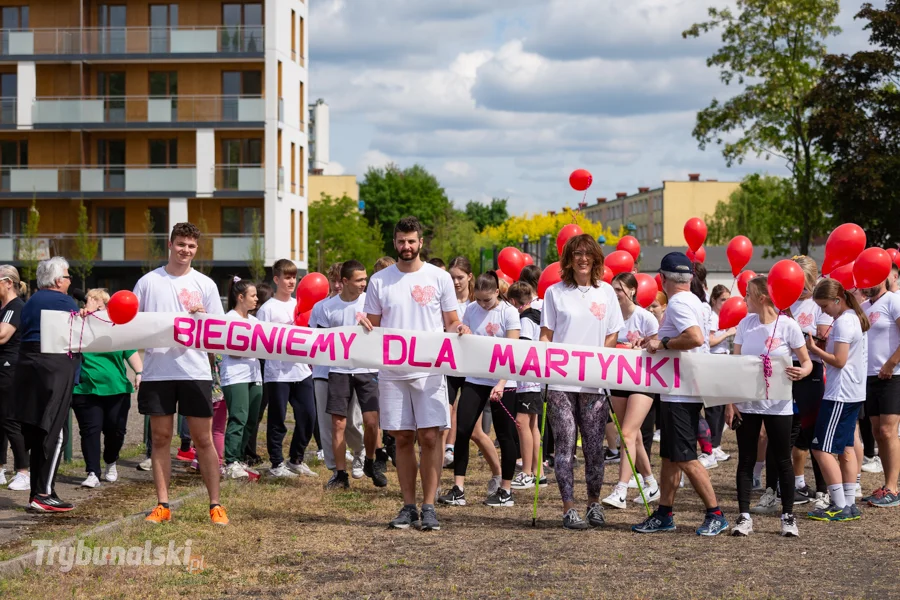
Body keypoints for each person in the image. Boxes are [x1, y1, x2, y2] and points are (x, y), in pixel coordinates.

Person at [361, 216, 461, 531]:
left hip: (430, 371)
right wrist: (364, 325)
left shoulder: (440, 277)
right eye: (402, 241)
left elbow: (451, 320)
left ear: (420, 242)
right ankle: (408, 506)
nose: (407, 247)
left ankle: (429, 507)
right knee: (402, 437)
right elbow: (373, 324)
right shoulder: (380, 280)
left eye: (412, 241)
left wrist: (461, 329)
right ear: (395, 242)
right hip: (392, 371)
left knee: (431, 436)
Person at [135, 223, 228, 525]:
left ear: (196, 249)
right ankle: (163, 504)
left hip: (195, 371)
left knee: (203, 440)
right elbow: (129, 322)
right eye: (181, 244)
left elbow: (220, 331)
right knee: (161, 438)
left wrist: (203, 316)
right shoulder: (149, 282)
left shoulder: (206, 284)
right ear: (170, 244)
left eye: (191, 246)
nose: (185, 250)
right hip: (158, 372)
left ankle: (215, 505)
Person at [632, 252, 729, 536]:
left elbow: (695, 338)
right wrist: (652, 340)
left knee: (685, 457)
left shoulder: (676, 303)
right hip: (683, 388)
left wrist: (661, 343)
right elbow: (683, 336)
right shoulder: (696, 302)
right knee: (672, 457)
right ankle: (664, 513)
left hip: (681, 391)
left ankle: (716, 514)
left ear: (663, 279)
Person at [540, 234, 624, 530]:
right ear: (568, 259)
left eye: (588, 254)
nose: (583, 259)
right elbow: (546, 336)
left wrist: (602, 360)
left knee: (593, 446)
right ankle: (568, 508)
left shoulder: (606, 293)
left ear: (597, 258)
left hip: (594, 383)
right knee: (564, 445)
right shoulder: (555, 293)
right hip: (561, 383)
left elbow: (613, 333)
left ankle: (594, 503)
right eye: (577, 254)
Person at [726, 276, 812, 537]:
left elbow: (806, 362)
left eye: (748, 295)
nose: (744, 299)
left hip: (779, 404)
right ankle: (744, 516)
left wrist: (802, 372)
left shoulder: (788, 326)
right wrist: (731, 402)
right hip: (748, 403)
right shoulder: (745, 324)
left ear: (761, 298)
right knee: (746, 460)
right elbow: (735, 365)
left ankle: (787, 516)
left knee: (783, 460)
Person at [439, 272, 519, 507]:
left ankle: (505, 490)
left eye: (488, 300)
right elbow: (465, 336)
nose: (483, 305)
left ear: (497, 292)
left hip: (504, 381)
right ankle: (458, 488)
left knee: (504, 436)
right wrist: (463, 332)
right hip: (476, 377)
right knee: (462, 430)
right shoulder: (472, 309)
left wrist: (502, 383)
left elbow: (512, 350)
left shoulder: (509, 312)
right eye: (480, 300)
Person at [12, 257, 80, 512]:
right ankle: (43, 492)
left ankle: (38, 492)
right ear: (58, 280)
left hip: (29, 368)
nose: (70, 279)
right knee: (56, 433)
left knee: (40, 430)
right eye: (67, 275)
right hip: (54, 369)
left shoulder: (30, 302)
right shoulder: (62, 301)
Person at [806, 278, 869, 521]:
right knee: (846, 447)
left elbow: (840, 361)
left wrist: (815, 349)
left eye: (824, 307)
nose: (824, 312)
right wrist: (824, 346)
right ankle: (849, 503)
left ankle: (839, 504)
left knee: (820, 448)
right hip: (852, 392)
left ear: (837, 300)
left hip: (840, 394)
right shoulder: (851, 317)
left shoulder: (844, 322)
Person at [322, 260, 388, 489]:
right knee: (338, 424)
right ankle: (340, 474)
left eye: (365, 279)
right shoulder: (328, 307)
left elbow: (385, 331)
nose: (364, 284)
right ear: (345, 281)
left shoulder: (372, 302)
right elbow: (319, 340)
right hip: (339, 370)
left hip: (367, 368)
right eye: (359, 280)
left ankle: (370, 460)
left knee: (371, 422)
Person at [72, 289, 143, 488]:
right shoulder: (79, 324)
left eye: (101, 306)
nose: (96, 310)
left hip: (117, 389)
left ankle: (111, 461)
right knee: (90, 431)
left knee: (116, 431)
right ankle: (92, 472)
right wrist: (81, 317)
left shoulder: (118, 326)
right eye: (92, 304)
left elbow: (131, 352)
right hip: (86, 389)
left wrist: (139, 372)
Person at [603, 272, 661, 509]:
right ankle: (650, 482)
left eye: (619, 289)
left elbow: (658, 350)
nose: (615, 294)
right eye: (613, 289)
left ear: (632, 291)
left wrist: (644, 346)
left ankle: (621, 489)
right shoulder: (609, 317)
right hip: (617, 378)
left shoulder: (646, 318)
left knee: (626, 433)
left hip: (644, 380)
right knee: (632, 434)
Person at [256, 259, 317, 478]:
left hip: (302, 371)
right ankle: (276, 463)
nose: (291, 282)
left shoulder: (300, 305)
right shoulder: (267, 309)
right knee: (277, 419)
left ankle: (296, 459)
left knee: (309, 416)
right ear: (276, 280)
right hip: (278, 373)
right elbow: (261, 341)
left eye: (294, 277)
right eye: (287, 277)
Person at [310, 264, 365, 477]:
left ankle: (360, 452)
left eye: (338, 280)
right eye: (332, 281)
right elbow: (313, 339)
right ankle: (336, 469)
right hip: (323, 372)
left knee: (352, 420)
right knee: (328, 425)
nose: (336, 285)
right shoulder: (321, 308)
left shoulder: (362, 303)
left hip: (351, 371)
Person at [788, 255, 832, 508]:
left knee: (814, 430)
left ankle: (823, 489)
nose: (800, 289)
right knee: (790, 429)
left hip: (812, 368)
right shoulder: (786, 301)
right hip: (787, 368)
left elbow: (824, 340)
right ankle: (796, 484)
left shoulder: (818, 304)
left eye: (804, 283)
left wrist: (798, 335)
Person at [859, 275, 900, 508]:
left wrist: (891, 363)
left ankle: (894, 488)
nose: (867, 282)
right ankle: (887, 485)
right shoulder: (864, 306)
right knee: (877, 432)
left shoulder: (894, 301)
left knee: (887, 430)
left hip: (893, 375)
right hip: (869, 376)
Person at [220, 277, 263, 480]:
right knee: (239, 417)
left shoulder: (255, 321)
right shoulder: (229, 319)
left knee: (252, 420)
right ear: (240, 297)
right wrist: (253, 346)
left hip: (254, 375)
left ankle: (241, 459)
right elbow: (233, 351)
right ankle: (230, 461)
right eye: (253, 295)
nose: (256, 299)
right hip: (236, 375)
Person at [507, 281, 546, 490]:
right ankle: (538, 471)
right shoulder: (537, 316)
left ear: (513, 302)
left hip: (528, 380)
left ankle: (527, 472)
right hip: (534, 379)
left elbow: (524, 348)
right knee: (532, 425)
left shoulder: (525, 319)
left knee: (522, 423)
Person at [443, 256, 475, 468]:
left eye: (460, 277)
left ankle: (499, 472)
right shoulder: (446, 302)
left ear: (469, 277)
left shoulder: (476, 303)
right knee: (447, 407)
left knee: (474, 425)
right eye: (452, 277)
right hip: (450, 361)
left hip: (473, 364)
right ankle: (446, 450)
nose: (456, 282)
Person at [0, 265, 28, 490]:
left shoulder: (15, 307)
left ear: (9, 283)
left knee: (10, 420)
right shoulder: (3, 307)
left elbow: (2, 335)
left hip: (10, 369)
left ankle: (23, 471)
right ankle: (1, 468)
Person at [243, 281, 273, 466]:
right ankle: (247, 451)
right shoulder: (252, 322)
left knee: (257, 413)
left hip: (265, 368)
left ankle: (249, 450)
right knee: (251, 413)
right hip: (257, 369)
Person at [707, 284, 735, 465]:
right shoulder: (712, 317)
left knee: (721, 405)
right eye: (723, 300)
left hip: (723, 359)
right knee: (714, 407)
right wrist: (728, 334)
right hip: (714, 360)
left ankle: (716, 445)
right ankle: (711, 446)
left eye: (728, 300)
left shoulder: (725, 316)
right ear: (714, 300)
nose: (726, 303)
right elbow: (709, 341)